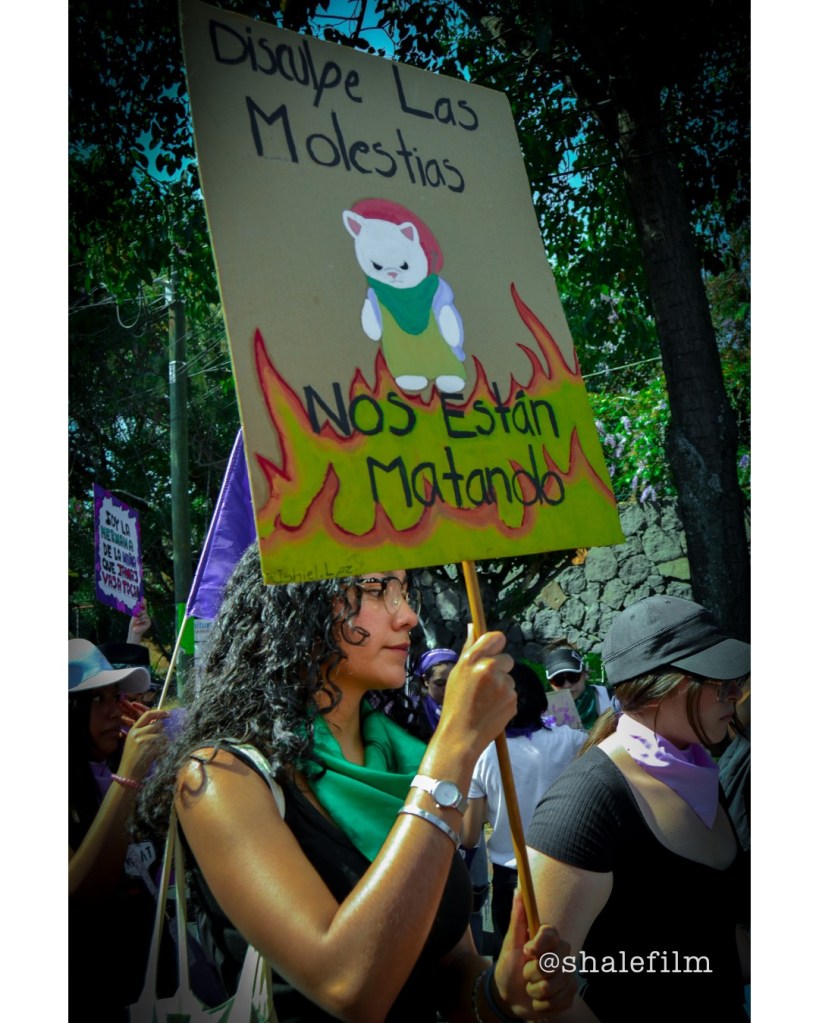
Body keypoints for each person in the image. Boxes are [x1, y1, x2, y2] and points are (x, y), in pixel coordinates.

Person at [136, 549, 575, 1022]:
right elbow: (348, 988)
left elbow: (452, 963)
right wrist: (456, 748)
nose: (408, 617)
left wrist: (499, 993)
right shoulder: (222, 775)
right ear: (298, 604)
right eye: (376, 590)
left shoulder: (408, 758)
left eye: (404, 591)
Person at [525, 596, 751, 1021]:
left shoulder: (700, 774)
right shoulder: (587, 801)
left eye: (735, 680)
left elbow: (711, 932)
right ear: (656, 690)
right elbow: (537, 989)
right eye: (719, 682)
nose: (736, 693)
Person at [68, 638, 170, 1023]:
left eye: (117, 697)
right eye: (98, 699)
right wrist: (129, 776)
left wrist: (162, 763)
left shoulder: (119, 765)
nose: (115, 711)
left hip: (154, 980)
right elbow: (81, 897)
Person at [463, 662, 585, 959]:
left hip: (510, 877)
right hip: (565, 870)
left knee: (513, 967)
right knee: (564, 964)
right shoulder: (571, 741)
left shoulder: (481, 754)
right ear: (541, 698)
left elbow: (469, 836)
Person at [542, 642, 612, 730]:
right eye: (558, 680)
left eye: (573, 676)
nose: (567, 685)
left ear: (585, 673)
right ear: (550, 682)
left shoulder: (612, 699)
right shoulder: (542, 715)